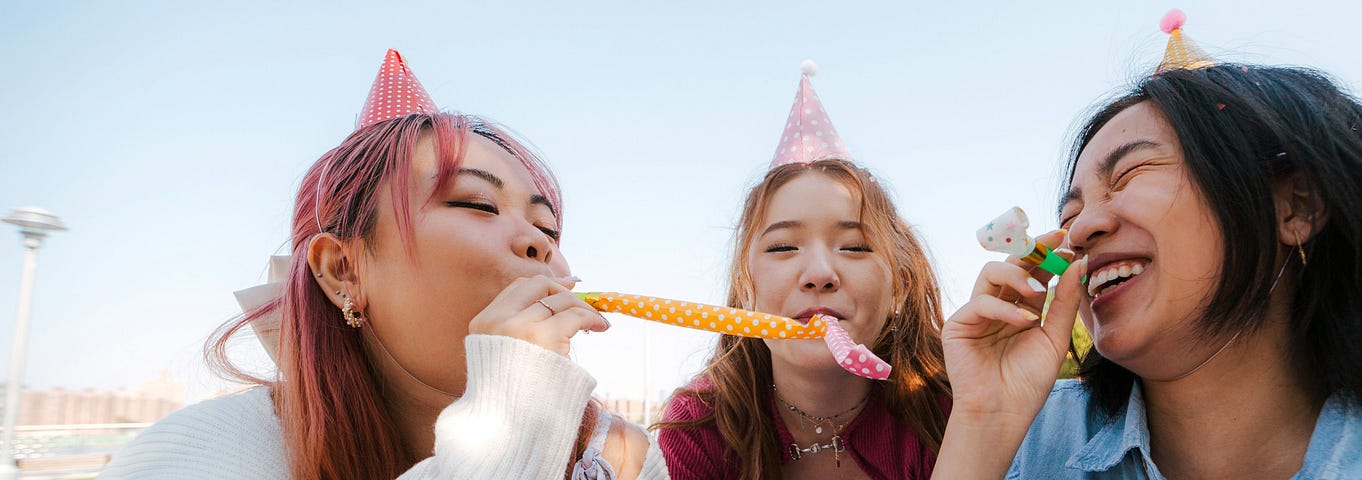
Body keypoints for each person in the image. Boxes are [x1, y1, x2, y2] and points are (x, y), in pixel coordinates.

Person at [935, 13, 1362, 479]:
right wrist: (983, 426)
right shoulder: (1024, 440)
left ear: (1295, 206)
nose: (1079, 232)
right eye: (1070, 211)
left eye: (1132, 174)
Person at [101, 50, 665, 479]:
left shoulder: (620, 457)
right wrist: (508, 430)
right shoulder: (197, 454)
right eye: (476, 204)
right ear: (342, 271)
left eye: (549, 229)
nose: (539, 246)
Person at [656, 62, 951, 479]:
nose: (819, 273)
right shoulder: (699, 426)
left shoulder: (949, 410)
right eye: (782, 247)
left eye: (854, 246)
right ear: (746, 289)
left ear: (900, 287)